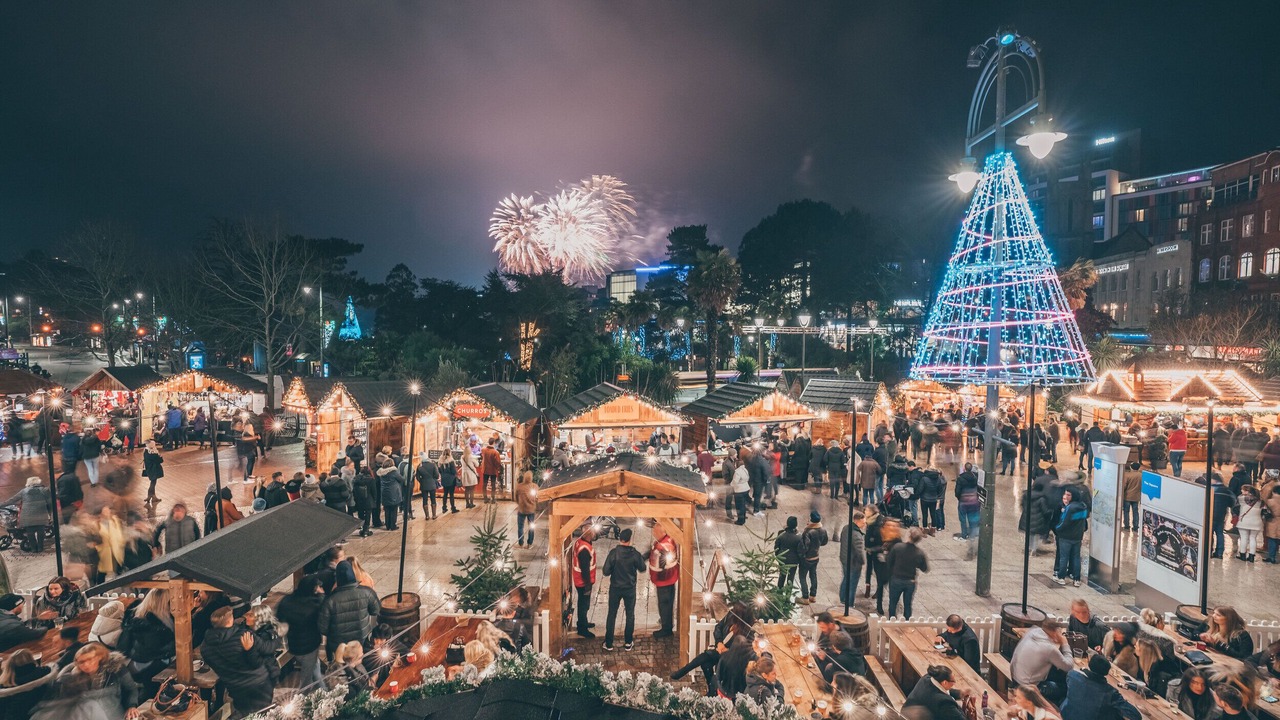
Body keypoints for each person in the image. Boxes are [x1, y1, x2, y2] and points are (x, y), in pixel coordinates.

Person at [200, 606, 278, 715]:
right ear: (230, 620)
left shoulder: (205, 647)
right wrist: (275, 637)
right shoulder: (244, 635)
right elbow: (261, 657)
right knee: (264, 714)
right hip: (259, 684)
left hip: (237, 689)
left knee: (247, 715)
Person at [671, 601, 754, 696]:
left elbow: (743, 650)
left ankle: (685, 671)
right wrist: (719, 643)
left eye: (735, 612)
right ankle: (712, 690)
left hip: (730, 659)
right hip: (719, 650)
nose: (732, 612)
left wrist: (727, 651)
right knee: (706, 664)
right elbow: (718, 627)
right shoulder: (731, 616)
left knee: (707, 657)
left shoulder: (747, 631)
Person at [38, 642, 139, 720]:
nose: (86, 665)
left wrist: (132, 706)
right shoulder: (72, 679)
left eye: (90, 659)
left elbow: (131, 689)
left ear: (100, 657)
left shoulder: (116, 669)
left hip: (115, 714)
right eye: (82, 662)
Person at [115, 589, 175, 691]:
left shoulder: (140, 616)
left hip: (139, 662)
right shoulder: (150, 625)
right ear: (163, 603)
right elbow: (156, 650)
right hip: (144, 666)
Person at [318, 561, 380, 656]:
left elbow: (323, 628)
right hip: (362, 641)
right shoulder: (367, 592)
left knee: (344, 667)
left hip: (340, 646)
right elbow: (375, 610)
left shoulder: (330, 600)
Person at [601, 527, 646, 651]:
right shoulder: (634, 554)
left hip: (615, 588)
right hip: (629, 589)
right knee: (630, 615)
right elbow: (642, 568)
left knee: (612, 614)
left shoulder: (614, 553)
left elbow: (605, 571)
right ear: (630, 540)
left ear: (620, 539)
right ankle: (628, 642)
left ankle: (609, 643)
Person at [276, 575, 325, 686]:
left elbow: (280, 617)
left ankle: (322, 688)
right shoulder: (314, 604)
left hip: (294, 644)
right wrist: (321, 594)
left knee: (314, 667)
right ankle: (305, 696)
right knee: (307, 677)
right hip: (309, 646)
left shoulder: (287, 601)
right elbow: (324, 612)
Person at [1010, 618, 1074, 703]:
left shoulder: (1033, 631)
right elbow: (1069, 666)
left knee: (1055, 671)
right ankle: (1056, 709)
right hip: (1027, 687)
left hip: (1015, 677)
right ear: (1055, 632)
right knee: (1067, 687)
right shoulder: (1049, 649)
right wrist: (1065, 643)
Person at [1062, 654, 1141, 720]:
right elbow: (1136, 716)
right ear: (1106, 672)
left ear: (1089, 664)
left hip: (1066, 714)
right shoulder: (1110, 692)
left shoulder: (1072, 675)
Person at [885, 526, 928, 618]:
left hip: (896, 579)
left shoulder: (897, 547)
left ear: (908, 536)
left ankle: (892, 622)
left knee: (893, 603)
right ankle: (907, 623)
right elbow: (925, 568)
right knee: (908, 605)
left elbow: (888, 562)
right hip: (910, 581)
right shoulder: (919, 553)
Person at [0, 648, 53, 719]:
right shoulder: (45, 672)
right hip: (41, 712)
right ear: (31, 659)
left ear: (9, 665)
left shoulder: (7, 687)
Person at [1053, 487, 1090, 586]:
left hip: (1066, 536)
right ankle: (1076, 579)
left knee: (1064, 557)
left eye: (1069, 495)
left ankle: (1061, 577)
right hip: (1077, 537)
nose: (1066, 496)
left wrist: (1057, 529)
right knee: (1076, 557)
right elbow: (1083, 522)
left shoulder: (1070, 507)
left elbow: (1064, 522)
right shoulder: (1083, 506)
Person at [4, 477, 51, 552]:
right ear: (38, 482)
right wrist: (50, 512)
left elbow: (12, 499)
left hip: (27, 515)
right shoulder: (44, 490)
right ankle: (40, 548)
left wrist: (1, 505)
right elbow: (50, 502)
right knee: (40, 532)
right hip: (41, 514)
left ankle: (33, 549)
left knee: (30, 532)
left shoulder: (23, 491)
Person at [648, 523, 679, 639]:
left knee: (664, 604)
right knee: (668, 603)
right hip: (670, 578)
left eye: (655, 532)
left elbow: (659, 566)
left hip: (664, 581)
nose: (653, 534)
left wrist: (654, 578)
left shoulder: (662, 547)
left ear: (662, 532)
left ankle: (666, 629)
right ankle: (667, 622)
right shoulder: (668, 540)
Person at [836, 510, 866, 607]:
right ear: (857, 521)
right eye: (863, 523)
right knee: (852, 584)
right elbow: (859, 551)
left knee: (846, 578)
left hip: (844, 558)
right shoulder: (857, 535)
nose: (864, 525)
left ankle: (842, 597)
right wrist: (862, 562)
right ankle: (850, 603)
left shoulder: (845, 528)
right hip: (853, 563)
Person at [572, 527, 597, 638]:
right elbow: (585, 568)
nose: (595, 534)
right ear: (588, 535)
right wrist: (587, 584)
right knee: (583, 605)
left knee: (583, 603)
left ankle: (584, 622)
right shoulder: (585, 549)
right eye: (593, 533)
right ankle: (582, 628)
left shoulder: (580, 542)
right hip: (583, 582)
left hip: (580, 580)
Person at [1233, 484, 1264, 562]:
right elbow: (1265, 512)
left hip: (1244, 521)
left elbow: (1235, 509)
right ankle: (1251, 557)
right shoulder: (1261, 501)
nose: (1241, 491)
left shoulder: (1241, 498)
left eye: (1243, 490)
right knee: (1253, 538)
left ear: (1247, 491)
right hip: (1257, 522)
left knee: (1244, 538)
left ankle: (1242, 555)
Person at [376, 458, 404, 530]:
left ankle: (387, 525)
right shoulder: (393, 472)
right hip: (393, 492)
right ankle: (393, 525)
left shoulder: (381, 473)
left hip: (384, 492)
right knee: (394, 509)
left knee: (387, 509)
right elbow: (401, 479)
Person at [514, 469, 537, 546]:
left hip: (522, 510)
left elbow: (516, 497)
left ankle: (520, 543)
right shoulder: (534, 486)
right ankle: (530, 543)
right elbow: (537, 498)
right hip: (531, 510)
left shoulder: (519, 486)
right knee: (531, 527)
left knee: (520, 527)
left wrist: (519, 504)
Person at [351, 464, 375, 536]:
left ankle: (362, 528)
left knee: (360, 513)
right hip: (368, 499)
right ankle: (366, 529)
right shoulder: (371, 480)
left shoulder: (356, 479)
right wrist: (374, 499)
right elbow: (374, 491)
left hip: (359, 500)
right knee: (368, 514)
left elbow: (354, 490)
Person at [416, 452, 440, 519]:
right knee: (433, 499)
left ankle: (427, 516)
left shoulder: (419, 466)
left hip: (424, 485)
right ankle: (434, 515)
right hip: (432, 484)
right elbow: (437, 475)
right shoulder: (433, 465)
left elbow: (417, 477)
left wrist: (421, 481)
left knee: (425, 500)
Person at [481, 437, 504, 504]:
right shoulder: (495, 452)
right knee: (493, 485)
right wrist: (499, 468)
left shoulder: (483, 450)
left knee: (484, 484)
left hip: (485, 470)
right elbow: (498, 462)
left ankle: (485, 498)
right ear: (494, 443)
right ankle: (493, 498)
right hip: (493, 470)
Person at [731, 457, 750, 525]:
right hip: (746, 488)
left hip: (739, 490)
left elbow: (735, 481)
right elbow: (748, 478)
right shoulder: (745, 469)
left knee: (739, 506)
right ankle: (743, 517)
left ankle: (740, 520)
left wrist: (731, 485)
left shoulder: (737, 472)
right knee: (743, 505)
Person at [460, 443, 480, 508]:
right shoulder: (471, 457)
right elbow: (477, 465)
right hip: (471, 474)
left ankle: (467, 503)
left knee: (466, 490)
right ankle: (471, 503)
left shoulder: (462, 457)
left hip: (465, 474)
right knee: (471, 490)